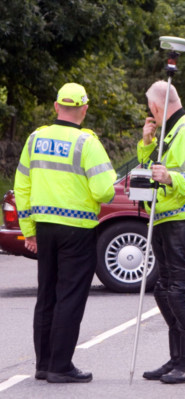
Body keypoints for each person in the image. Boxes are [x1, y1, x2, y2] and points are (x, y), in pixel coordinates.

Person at [14, 83, 117, 383]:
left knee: (46, 295)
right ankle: (61, 366)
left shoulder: (35, 139)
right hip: (77, 231)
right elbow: (104, 191)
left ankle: (43, 365)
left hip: (44, 229)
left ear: (56, 106)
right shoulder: (88, 143)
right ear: (84, 110)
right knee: (69, 297)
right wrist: (108, 185)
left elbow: (22, 187)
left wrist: (28, 230)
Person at [138, 81, 185, 384]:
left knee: (182, 292)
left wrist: (171, 178)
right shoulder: (168, 134)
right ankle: (176, 359)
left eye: (149, 108)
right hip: (165, 219)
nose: (149, 113)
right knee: (165, 290)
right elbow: (149, 173)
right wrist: (146, 141)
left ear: (157, 107)